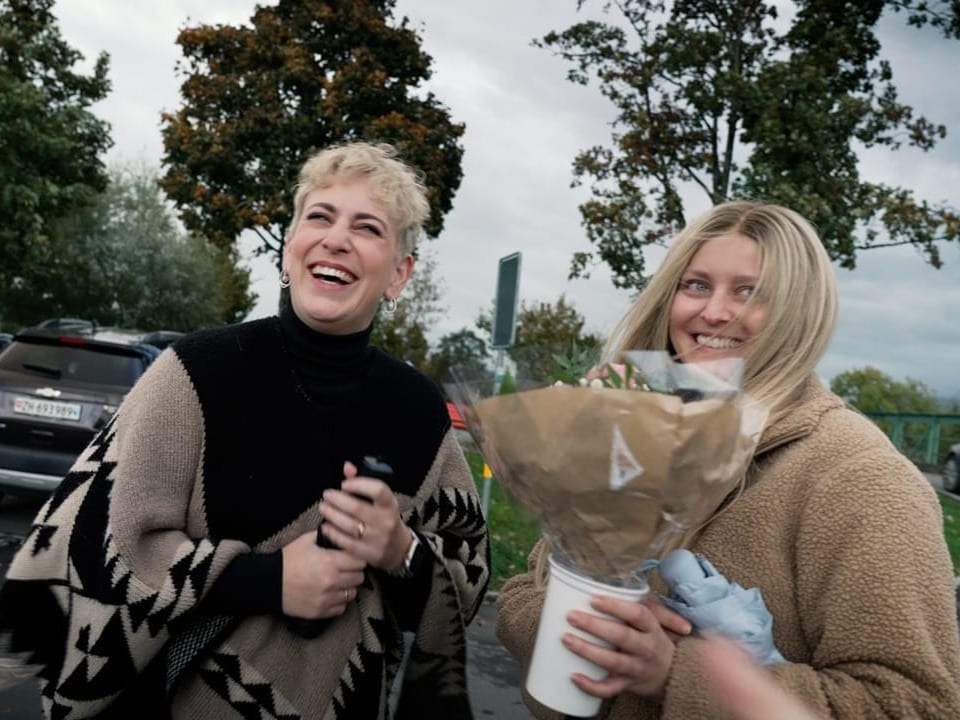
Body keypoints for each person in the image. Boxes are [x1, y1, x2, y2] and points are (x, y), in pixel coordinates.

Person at [0, 141, 490, 719]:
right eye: (320, 217)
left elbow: (465, 589)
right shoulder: (195, 371)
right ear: (289, 248)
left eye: (368, 228)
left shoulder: (419, 412)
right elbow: (94, 548)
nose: (337, 239)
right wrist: (268, 579)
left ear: (400, 274)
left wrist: (400, 550)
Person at [496, 201, 960, 718]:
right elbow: (523, 592)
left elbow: (916, 705)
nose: (716, 312)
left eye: (751, 292)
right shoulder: (633, 433)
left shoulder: (860, 477)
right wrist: (588, 630)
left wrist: (673, 673)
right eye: (696, 285)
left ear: (799, 313)